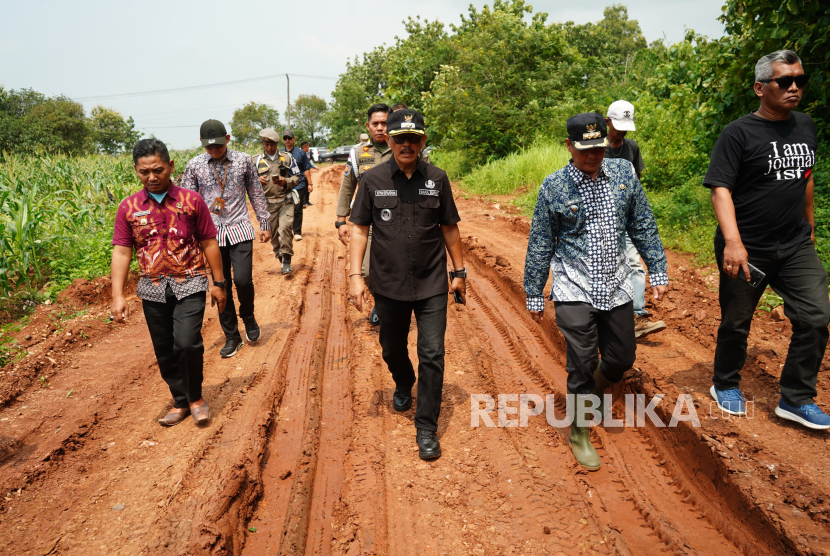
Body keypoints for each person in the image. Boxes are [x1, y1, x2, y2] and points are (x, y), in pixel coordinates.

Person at [524, 113, 669, 471]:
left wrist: (658, 269)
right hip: (574, 284)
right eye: (585, 149)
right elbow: (541, 242)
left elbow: (643, 224)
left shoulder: (622, 176)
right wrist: (533, 290)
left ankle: (594, 394)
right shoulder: (554, 186)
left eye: (599, 148)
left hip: (617, 284)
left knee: (621, 359)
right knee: (583, 361)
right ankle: (579, 431)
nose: (593, 155)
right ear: (569, 146)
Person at [705, 50, 830, 430]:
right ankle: (724, 383)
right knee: (737, 321)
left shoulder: (805, 125)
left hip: (794, 244)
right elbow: (720, 189)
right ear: (761, 88)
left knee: (816, 317)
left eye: (800, 81)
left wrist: (809, 226)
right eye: (785, 81)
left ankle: (796, 398)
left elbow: (805, 176)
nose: (795, 88)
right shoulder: (738, 133)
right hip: (748, 246)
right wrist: (733, 242)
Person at [348, 109, 466, 461]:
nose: (406, 144)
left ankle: (426, 426)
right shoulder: (372, 180)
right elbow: (358, 228)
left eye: (414, 138)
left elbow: (449, 227)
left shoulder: (438, 179)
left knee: (433, 353)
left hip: (431, 282)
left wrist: (459, 272)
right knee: (391, 348)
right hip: (387, 284)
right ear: (389, 140)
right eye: (400, 138)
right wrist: (356, 276)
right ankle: (402, 380)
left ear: (423, 141)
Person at [111, 138, 227, 426]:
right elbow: (122, 251)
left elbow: (209, 242)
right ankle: (180, 400)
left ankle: (196, 398)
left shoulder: (191, 201)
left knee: (187, 343)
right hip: (152, 289)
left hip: (190, 282)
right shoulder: (129, 208)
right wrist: (118, 295)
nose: (152, 177)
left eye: (158, 170)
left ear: (170, 166)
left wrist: (219, 283)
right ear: (136, 171)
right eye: (144, 172)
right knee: (164, 348)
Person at [180, 119, 271, 358]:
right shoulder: (194, 166)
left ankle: (248, 316)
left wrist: (264, 222)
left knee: (242, 280)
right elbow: (186, 202)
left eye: (218, 145)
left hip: (240, 228)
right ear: (202, 143)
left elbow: (255, 191)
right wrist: (187, 236)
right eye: (209, 146)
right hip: (211, 237)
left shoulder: (243, 161)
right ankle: (232, 336)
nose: (214, 149)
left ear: (227, 139)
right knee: (221, 286)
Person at [604, 100, 667, 340]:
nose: (621, 131)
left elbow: (636, 184)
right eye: (617, 125)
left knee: (634, 263)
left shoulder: (632, 147)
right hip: (599, 219)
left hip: (626, 218)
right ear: (607, 121)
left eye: (626, 126)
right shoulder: (595, 146)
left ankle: (638, 316)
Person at [336, 103, 394, 326]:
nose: (380, 128)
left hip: (397, 222)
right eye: (375, 124)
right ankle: (379, 302)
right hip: (368, 223)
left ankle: (391, 307)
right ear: (368, 127)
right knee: (366, 270)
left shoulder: (401, 147)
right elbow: (347, 186)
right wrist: (340, 220)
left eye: (385, 123)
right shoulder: (358, 153)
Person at [254, 128, 302, 275]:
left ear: (276, 143)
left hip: (285, 201)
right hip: (267, 204)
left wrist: (286, 181)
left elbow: (296, 177)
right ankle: (280, 258)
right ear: (262, 143)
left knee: (285, 228)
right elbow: (247, 182)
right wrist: (257, 181)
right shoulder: (255, 160)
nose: (269, 147)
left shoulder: (287, 158)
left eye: (272, 145)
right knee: (274, 235)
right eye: (266, 144)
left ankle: (287, 259)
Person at [282, 130, 313, 241]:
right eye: (285, 138)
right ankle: (286, 231)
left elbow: (306, 169)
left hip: (299, 184)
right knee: (285, 208)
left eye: (289, 138)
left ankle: (297, 232)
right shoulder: (280, 154)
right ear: (283, 140)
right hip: (285, 185)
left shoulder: (300, 153)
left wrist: (310, 183)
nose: (287, 140)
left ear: (294, 139)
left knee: (298, 208)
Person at [300, 140, 316, 207]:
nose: (308, 148)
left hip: (306, 174)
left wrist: (314, 167)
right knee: (303, 189)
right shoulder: (300, 154)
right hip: (302, 175)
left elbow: (308, 163)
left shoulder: (305, 154)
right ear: (305, 147)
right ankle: (303, 202)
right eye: (307, 147)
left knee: (307, 189)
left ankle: (307, 201)